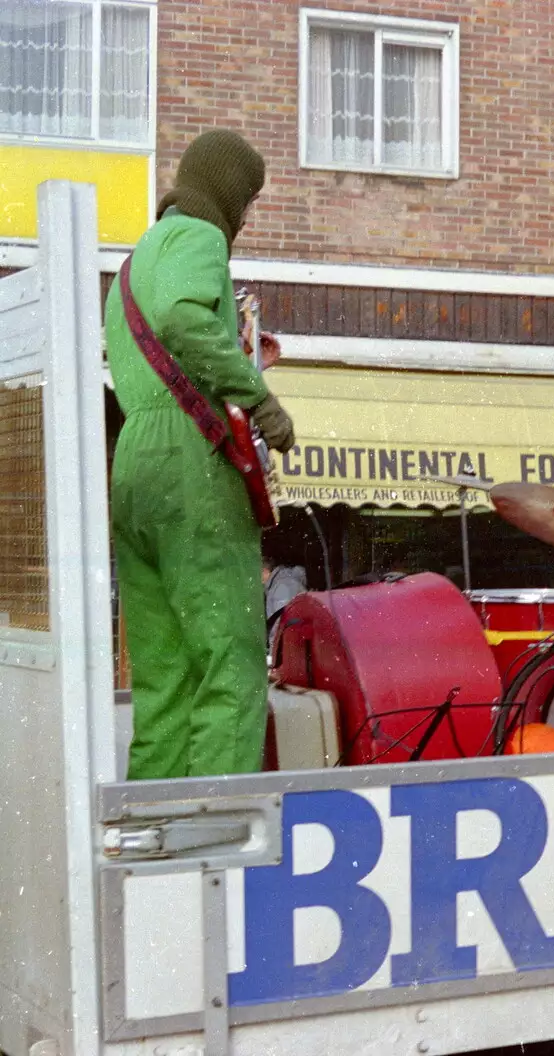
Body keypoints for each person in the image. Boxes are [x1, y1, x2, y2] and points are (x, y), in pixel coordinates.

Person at [105, 130, 297, 779]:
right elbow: (185, 319)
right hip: (191, 458)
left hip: (134, 458)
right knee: (230, 663)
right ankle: (221, 848)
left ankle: (154, 850)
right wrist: (259, 400)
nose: (246, 215)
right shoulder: (199, 237)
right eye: (247, 198)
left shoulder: (135, 262)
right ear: (225, 190)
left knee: (164, 678)